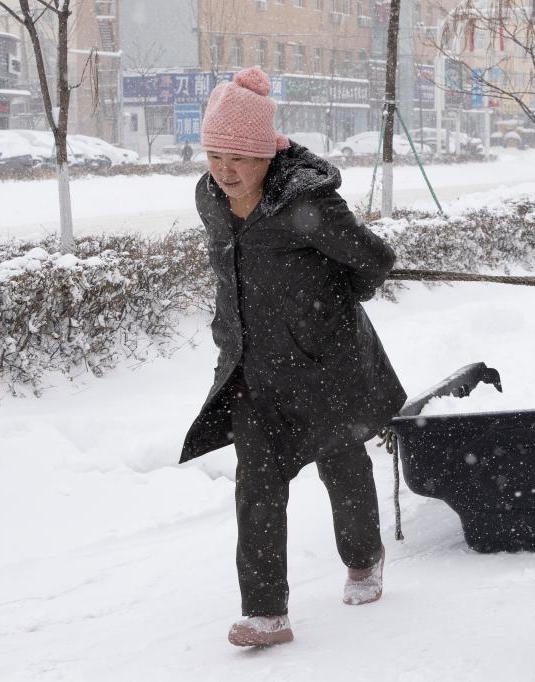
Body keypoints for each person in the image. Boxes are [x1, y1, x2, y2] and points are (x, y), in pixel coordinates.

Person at [180, 66, 406, 647]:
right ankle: (265, 612)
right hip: (253, 369)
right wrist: (227, 332)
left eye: (239, 157)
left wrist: (332, 305)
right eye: (215, 155)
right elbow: (228, 269)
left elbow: (374, 260)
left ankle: (364, 558)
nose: (226, 171)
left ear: (266, 152)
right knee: (256, 482)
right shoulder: (210, 198)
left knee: (341, 464)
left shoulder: (306, 203)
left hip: (325, 366)